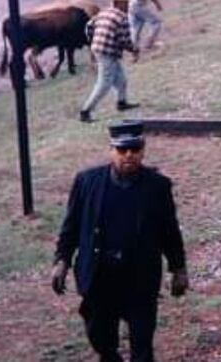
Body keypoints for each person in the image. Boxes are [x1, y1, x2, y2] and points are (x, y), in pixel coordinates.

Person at [52, 121, 189, 362]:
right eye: (122, 150)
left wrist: (178, 268)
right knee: (101, 336)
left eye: (135, 150)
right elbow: (71, 226)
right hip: (100, 276)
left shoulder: (157, 187)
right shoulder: (87, 182)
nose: (129, 155)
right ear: (111, 150)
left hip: (139, 277)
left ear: (143, 150)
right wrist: (62, 260)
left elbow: (169, 230)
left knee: (142, 344)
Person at [80, 0, 140, 123]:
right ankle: (85, 111)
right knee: (104, 83)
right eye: (126, 2)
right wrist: (134, 50)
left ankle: (121, 102)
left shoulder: (104, 12)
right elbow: (124, 40)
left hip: (100, 49)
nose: (128, 5)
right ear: (119, 3)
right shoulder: (122, 17)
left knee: (122, 79)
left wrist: (93, 40)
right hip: (107, 52)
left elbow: (89, 26)